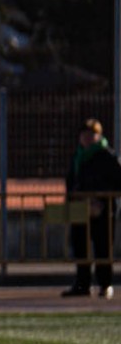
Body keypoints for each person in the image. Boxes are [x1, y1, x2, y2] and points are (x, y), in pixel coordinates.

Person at [65, 118, 121, 298]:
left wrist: (100, 199)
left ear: (99, 136)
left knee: (103, 247)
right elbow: (71, 181)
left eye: (91, 134)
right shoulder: (78, 156)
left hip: (102, 210)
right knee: (80, 246)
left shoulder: (107, 156)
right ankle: (82, 284)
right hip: (80, 208)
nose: (87, 138)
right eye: (84, 134)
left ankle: (105, 284)